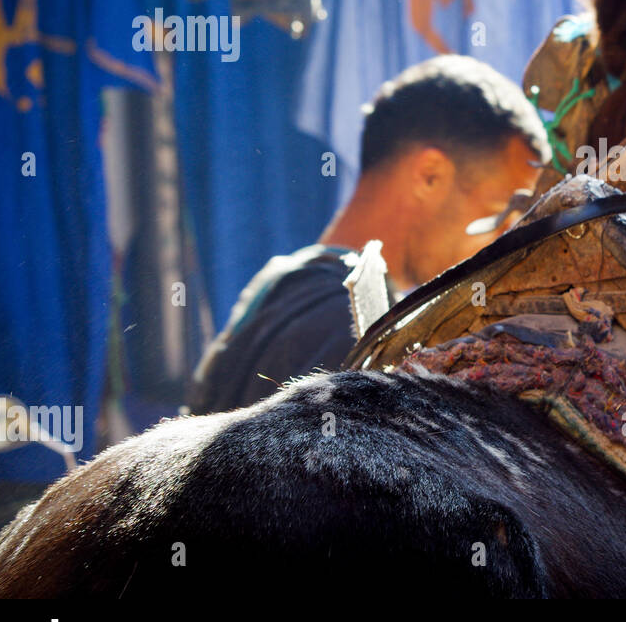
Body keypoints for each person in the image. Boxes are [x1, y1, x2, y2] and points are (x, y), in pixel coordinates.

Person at [185, 56, 549, 415]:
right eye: (499, 214)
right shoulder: (343, 324)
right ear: (430, 175)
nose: (504, 246)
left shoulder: (291, 282)